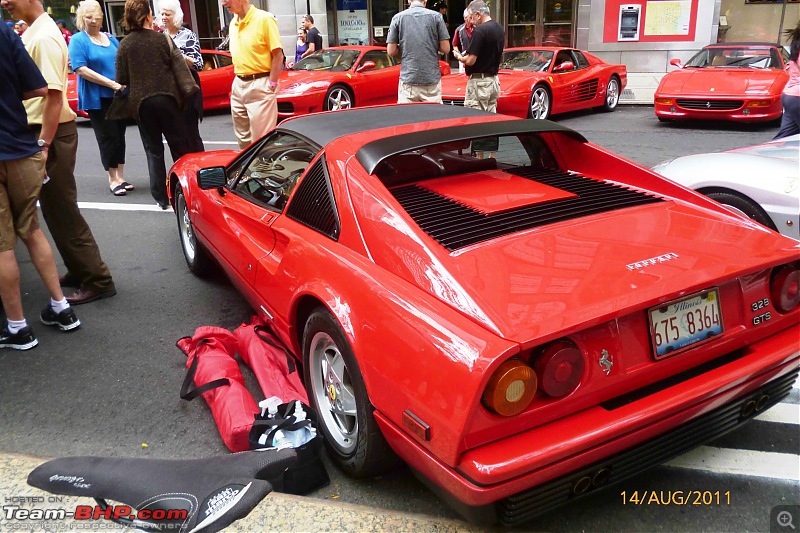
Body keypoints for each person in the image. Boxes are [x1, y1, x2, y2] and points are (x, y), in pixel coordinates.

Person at [5, 0, 117, 306]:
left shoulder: (42, 37)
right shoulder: (35, 32)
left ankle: (97, 279)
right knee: (55, 209)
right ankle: (81, 270)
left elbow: (53, 97)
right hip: (44, 133)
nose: (4, 3)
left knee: (63, 210)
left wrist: (42, 146)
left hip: (47, 134)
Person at [0, 21, 81, 350]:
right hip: (21, 147)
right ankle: (62, 308)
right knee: (32, 229)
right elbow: (39, 89)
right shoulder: (5, 32)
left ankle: (18, 327)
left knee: (3, 245)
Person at [115, 0, 197, 209]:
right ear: (147, 17)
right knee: (179, 146)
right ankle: (185, 190)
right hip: (168, 99)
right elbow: (178, 66)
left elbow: (121, 77)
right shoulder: (162, 39)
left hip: (142, 103)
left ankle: (161, 196)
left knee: (153, 150)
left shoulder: (125, 44)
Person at [68, 0, 130, 196]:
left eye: (97, 17)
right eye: (88, 17)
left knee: (120, 136)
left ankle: (121, 175)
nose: (93, 21)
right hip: (98, 97)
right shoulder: (79, 40)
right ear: (81, 19)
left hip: (117, 96)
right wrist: (112, 84)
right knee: (107, 137)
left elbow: (121, 60)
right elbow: (80, 68)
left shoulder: (110, 38)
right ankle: (112, 178)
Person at [221, 0, 283, 149]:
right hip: (239, 83)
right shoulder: (233, 23)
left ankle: (263, 171)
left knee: (261, 143)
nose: (223, 3)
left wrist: (272, 84)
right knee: (243, 141)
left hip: (260, 82)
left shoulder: (264, 19)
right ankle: (246, 172)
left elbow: (278, 55)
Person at [159, 0, 204, 153]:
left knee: (191, 134)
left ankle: (199, 169)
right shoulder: (158, 36)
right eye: (162, 14)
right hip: (167, 91)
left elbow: (198, 64)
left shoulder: (188, 35)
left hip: (186, 91)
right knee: (173, 136)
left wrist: (178, 55)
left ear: (176, 15)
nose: (164, 17)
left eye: (168, 14)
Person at [386, 0, 450, 104]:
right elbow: (446, 48)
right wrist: (432, 45)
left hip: (408, 79)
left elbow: (391, 51)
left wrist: (403, 48)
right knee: (433, 117)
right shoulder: (437, 17)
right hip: (431, 79)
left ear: (409, 1)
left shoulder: (398, 17)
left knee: (408, 118)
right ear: (425, 1)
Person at [453, 1, 503, 113]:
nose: (470, 21)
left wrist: (459, 57)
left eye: (471, 17)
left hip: (479, 82)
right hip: (494, 81)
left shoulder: (479, 31)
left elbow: (470, 60)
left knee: (474, 118)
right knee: (491, 118)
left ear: (478, 15)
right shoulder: (499, 28)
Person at [774, 22, 800, 140]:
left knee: (785, 137)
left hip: (790, 96)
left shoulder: (796, 45)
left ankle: (767, 154)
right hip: (797, 97)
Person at [452, 8, 474, 74]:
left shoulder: (477, 28)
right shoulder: (459, 30)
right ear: (465, 18)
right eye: (469, 17)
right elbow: (454, 44)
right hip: (463, 58)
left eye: (472, 17)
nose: (471, 20)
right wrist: (459, 54)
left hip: (475, 57)